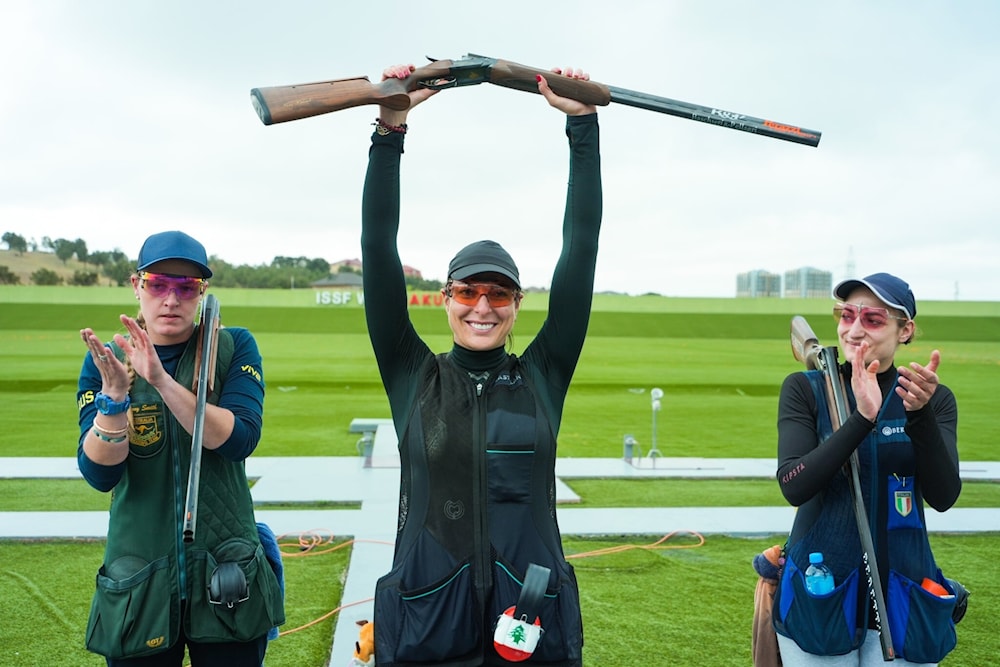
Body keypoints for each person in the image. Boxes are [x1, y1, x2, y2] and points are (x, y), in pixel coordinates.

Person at [360, 64, 601, 666]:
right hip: (425, 623)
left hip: (530, 620)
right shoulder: (413, 374)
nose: (483, 307)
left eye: (498, 294)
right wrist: (390, 131)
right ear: (445, 299)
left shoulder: (543, 374)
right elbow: (377, 246)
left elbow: (582, 246)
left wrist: (582, 128)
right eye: (467, 293)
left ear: (518, 305)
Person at [76, 230, 284, 666]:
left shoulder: (232, 347)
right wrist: (113, 401)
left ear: (201, 293)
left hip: (228, 574)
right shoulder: (108, 359)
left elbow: (238, 439)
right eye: (158, 284)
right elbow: (100, 474)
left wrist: (160, 381)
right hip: (139, 581)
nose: (171, 299)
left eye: (186, 287)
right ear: (137, 286)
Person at [772, 273, 962, 666]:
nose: (854, 330)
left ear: (905, 330)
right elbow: (794, 486)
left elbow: (944, 496)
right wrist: (862, 418)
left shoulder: (931, 398)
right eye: (846, 315)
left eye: (873, 319)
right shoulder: (804, 389)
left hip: (906, 592)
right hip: (820, 586)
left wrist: (920, 416)